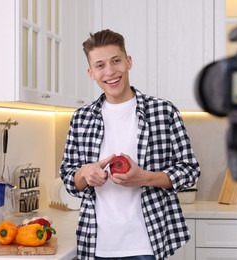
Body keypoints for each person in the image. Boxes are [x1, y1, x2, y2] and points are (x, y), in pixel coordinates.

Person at [60, 29, 201, 260]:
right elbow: (68, 177)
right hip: (96, 243)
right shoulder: (81, 118)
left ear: (129, 61)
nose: (110, 72)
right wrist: (85, 174)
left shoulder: (163, 111)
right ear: (91, 73)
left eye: (116, 61)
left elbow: (190, 171)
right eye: (100, 65)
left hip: (146, 243)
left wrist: (143, 178)